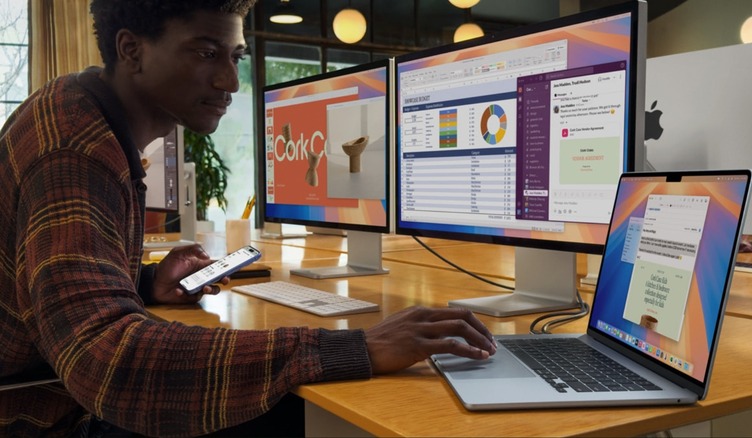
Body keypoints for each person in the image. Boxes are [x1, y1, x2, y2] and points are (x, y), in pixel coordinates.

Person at [0, 1, 496, 436]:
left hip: (51, 393)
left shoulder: (77, 109)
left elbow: (48, 289)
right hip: (45, 417)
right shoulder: (75, 151)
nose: (230, 82)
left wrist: (146, 282)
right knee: (333, 415)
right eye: (205, 53)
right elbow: (106, 362)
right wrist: (357, 346)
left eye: (235, 56)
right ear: (132, 50)